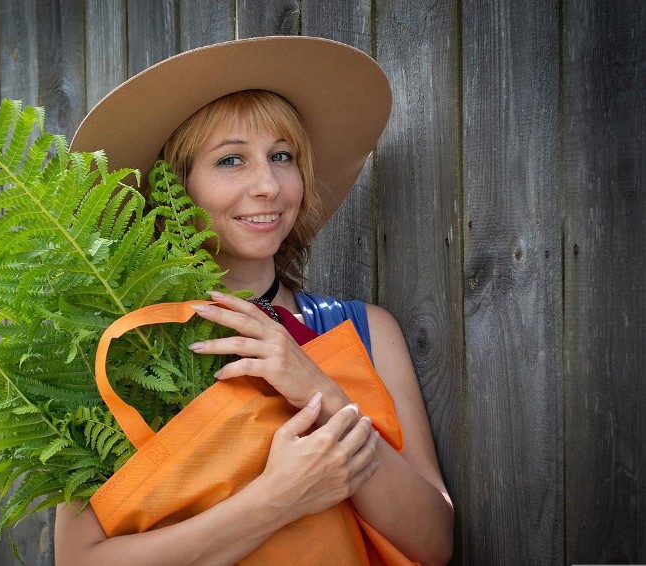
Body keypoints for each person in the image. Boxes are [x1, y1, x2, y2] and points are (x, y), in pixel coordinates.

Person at [55, 36, 453, 565]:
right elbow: (80, 560)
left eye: (282, 156)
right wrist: (276, 500)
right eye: (231, 161)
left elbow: (435, 543)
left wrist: (324, 394)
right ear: (174, 186)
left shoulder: (364, 330)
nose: (267, 184)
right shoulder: (123, 346)